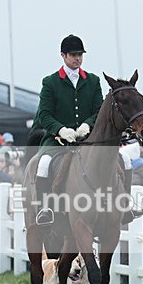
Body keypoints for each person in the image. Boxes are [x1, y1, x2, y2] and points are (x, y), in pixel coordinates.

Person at [33, 34, 104, 226]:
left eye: (80, 54)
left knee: (122, 160)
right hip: (57, 140)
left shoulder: (93, 80)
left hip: (87, 139)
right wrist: (61, 130)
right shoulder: (50, 82)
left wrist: (87, 125)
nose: (77, 58)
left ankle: (125, 204)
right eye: (73, 55)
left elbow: (99, 110)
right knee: (44, 164)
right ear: (63, 55)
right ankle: (45, 209)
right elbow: (44, 115)